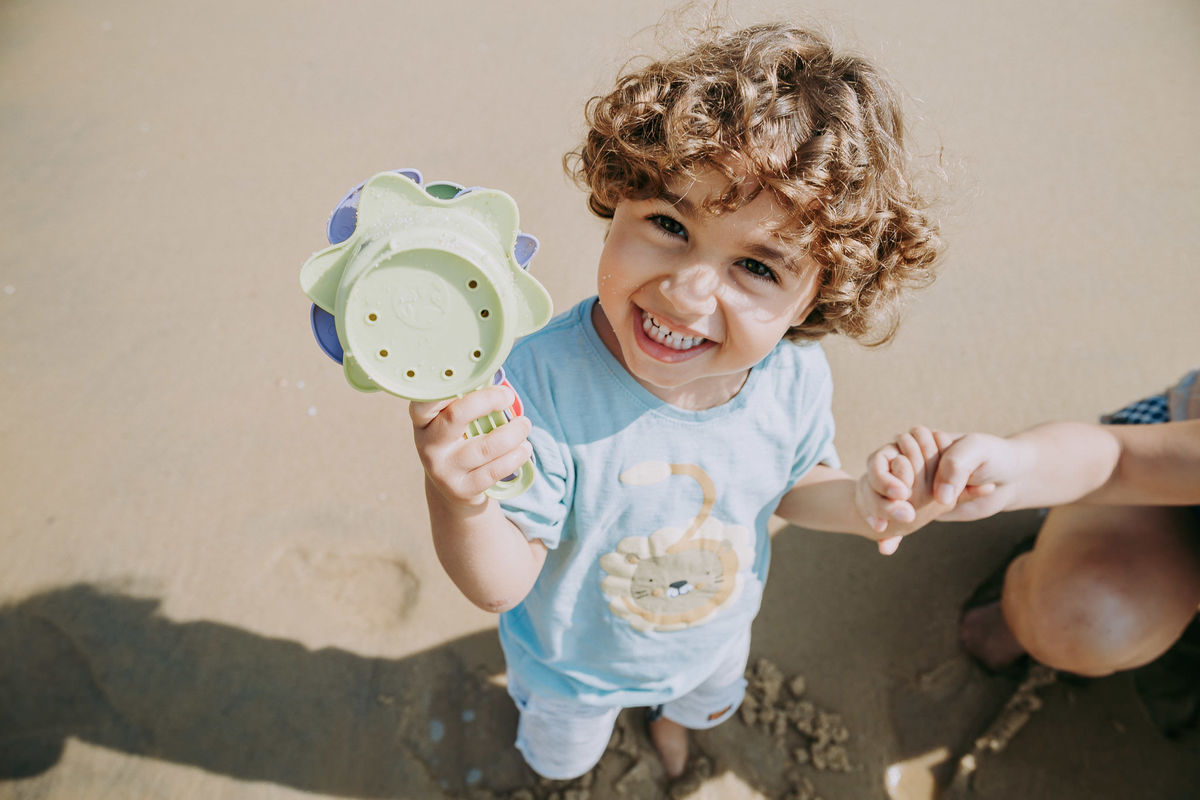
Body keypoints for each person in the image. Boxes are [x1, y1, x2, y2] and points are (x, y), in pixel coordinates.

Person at [409, 23, 943, 781]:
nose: (689, 292)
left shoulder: (793, 377)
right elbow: (503, 583)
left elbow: (795, 485)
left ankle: (673, 722)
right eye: (669, 224)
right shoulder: (539, 385)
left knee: (702, 704)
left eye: (757, 267)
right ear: (618, 196)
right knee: (564, 763)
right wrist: (459, 500)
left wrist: (866, 502)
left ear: (816, 296)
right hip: (574, 672)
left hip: (713, 639)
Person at [856, 369, 1200, 733]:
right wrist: (1018, 471)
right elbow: (1121, 464)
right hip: (1167, 459)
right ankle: (1035, 596)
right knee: (1081, 617)